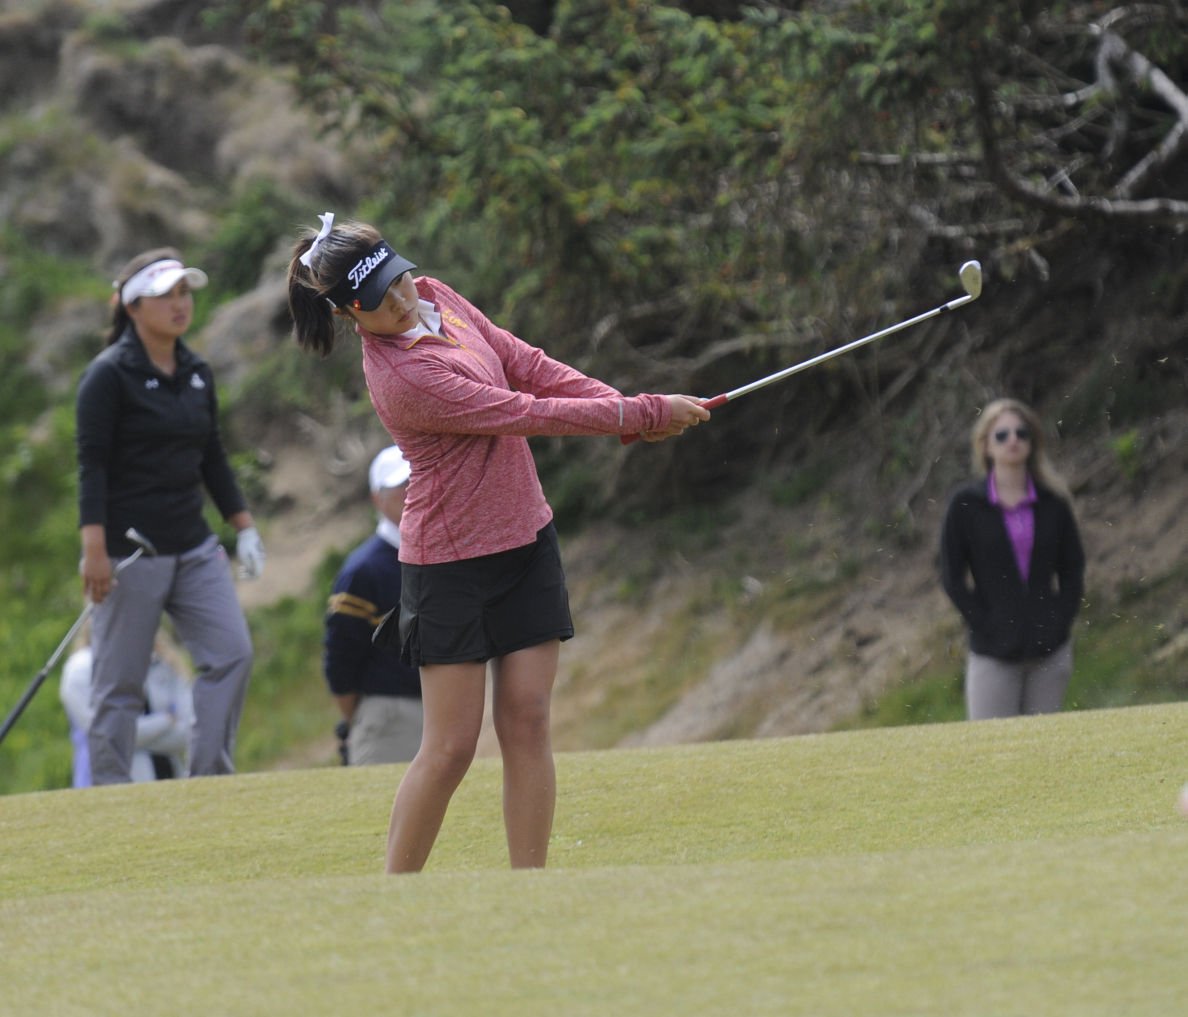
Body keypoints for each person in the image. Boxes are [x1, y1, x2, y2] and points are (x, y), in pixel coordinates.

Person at [287, 212, 709, 872]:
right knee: (451, 747)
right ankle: (392, 895)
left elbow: (525, 363)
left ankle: (529, 889)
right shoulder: (403, 379)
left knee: (528, 719)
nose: (402, 302)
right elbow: (521, 410)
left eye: (399, 283)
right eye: (380, 303)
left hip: (524, 537)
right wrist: (642, 412)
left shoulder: (436, 295)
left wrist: (624, 410)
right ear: (348, 313)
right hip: (450, 564)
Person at [76, 247, 266, 784]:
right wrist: (95, 551)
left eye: (184, 292)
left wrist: (244, 526)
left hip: (193, 545)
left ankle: (207, 781)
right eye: (165, 295)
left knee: (232, 655)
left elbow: (212, 456)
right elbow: (92, 467)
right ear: (134, 307)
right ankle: (110, 798)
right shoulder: (108, 376)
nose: (180, 304)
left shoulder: (197, 371)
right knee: (119, 685)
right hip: (130, 551)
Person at [940, 397, 1085, 720]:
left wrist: (1060, 621)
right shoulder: (965, 505)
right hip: (992, 652)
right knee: (993, 752)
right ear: (986, 446)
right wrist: (984, 623)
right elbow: (951, 575)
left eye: (1021, 433)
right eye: (1002, 435)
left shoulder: (1053, 503)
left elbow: (1072, 569)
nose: (1013, 441)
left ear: (1033, 442)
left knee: (1044, 749)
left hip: (1049, 651)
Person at [324, 444, 424, 766]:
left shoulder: (441, 554)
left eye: (417, 482)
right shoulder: (363, 571)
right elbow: (341, 658)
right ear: (377, 500)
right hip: (389, 715)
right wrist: (358, 717)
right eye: (400, 487)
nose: (411, 493)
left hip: (442, 713)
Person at [60, 627, 195, 786]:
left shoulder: (162, 662)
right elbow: (109, 734)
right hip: (109, 783)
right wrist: (165, 721)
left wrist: (132, 738)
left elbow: (189, 732)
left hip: (171, 778)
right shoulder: (81, 668)